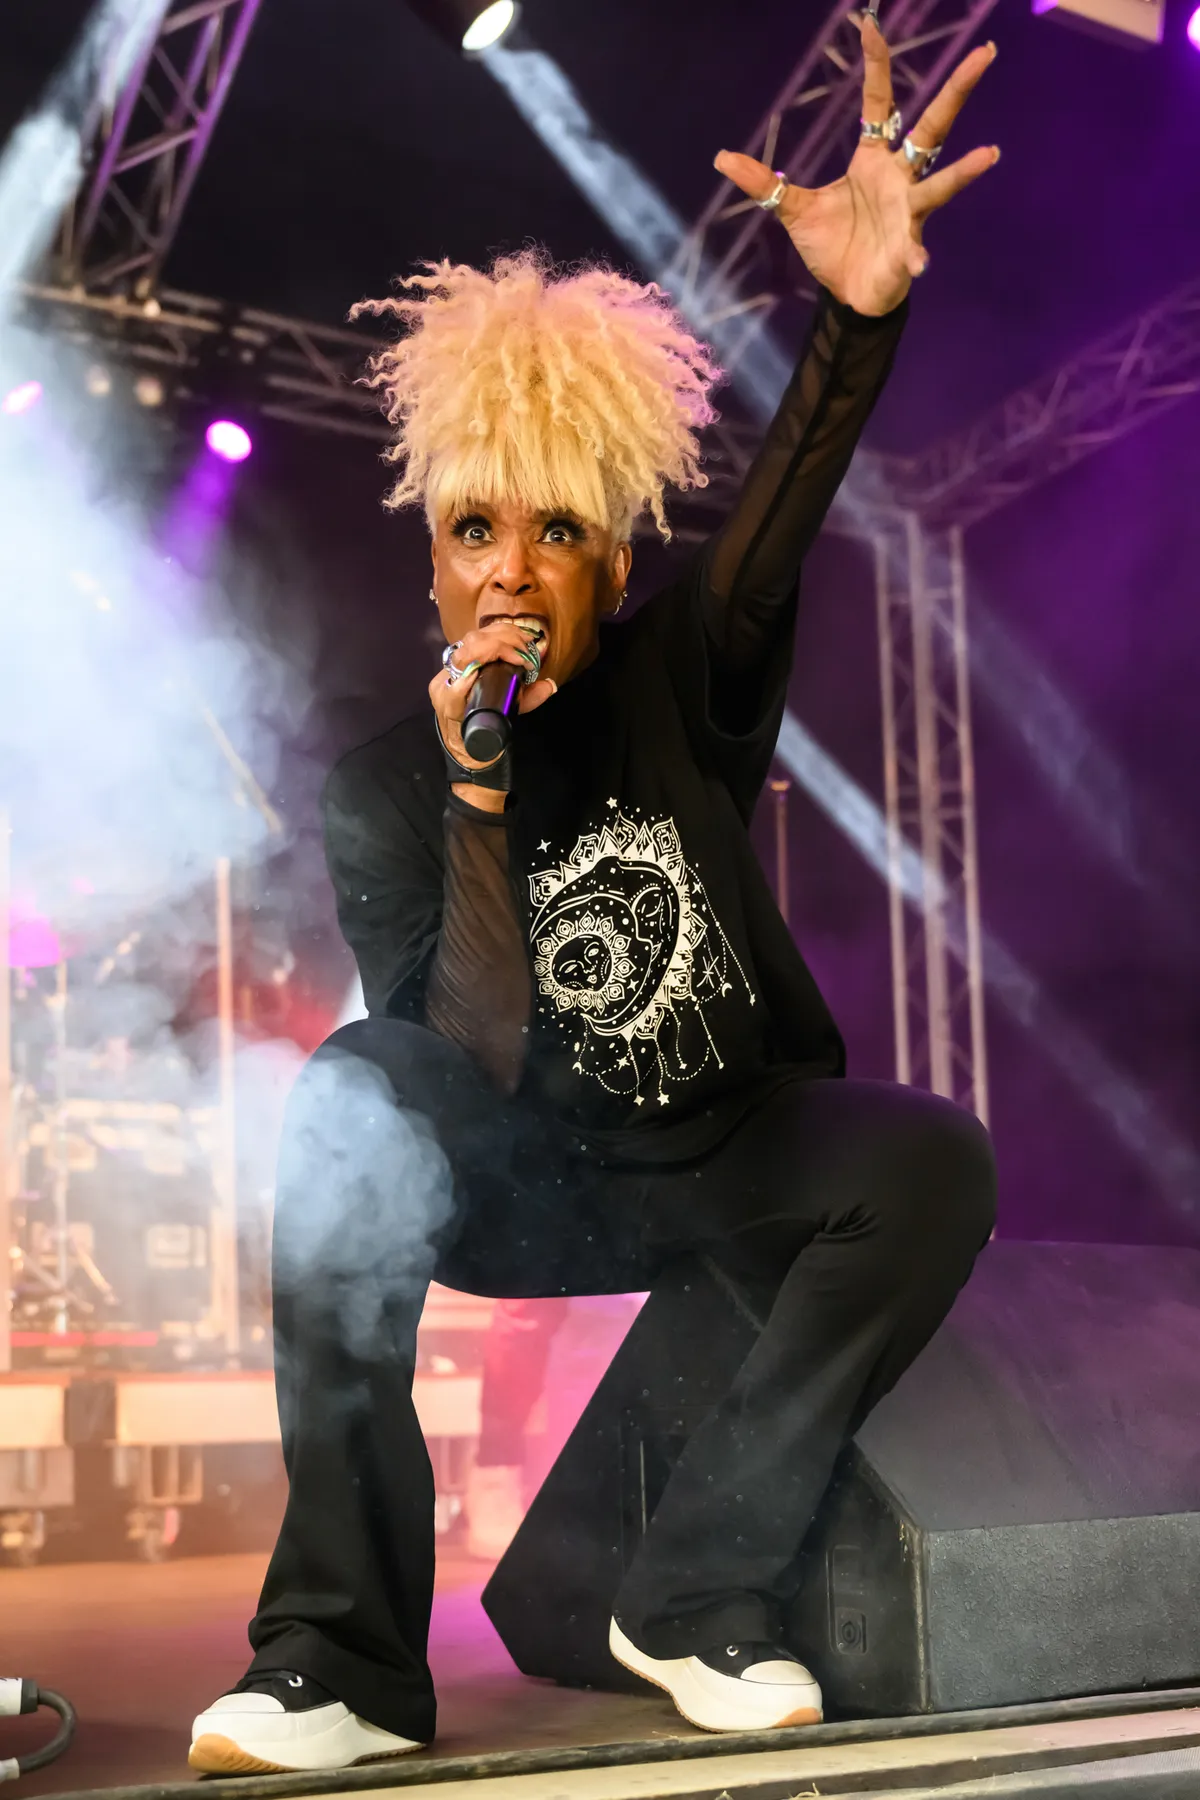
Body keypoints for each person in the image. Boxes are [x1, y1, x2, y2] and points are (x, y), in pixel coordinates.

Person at [189, 18, 1001, 1777]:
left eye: (557, 532)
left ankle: (695, 1593)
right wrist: (479, 788)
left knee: (929, 1155)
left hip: (718, 1153)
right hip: (519, 1174)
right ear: (434, 565)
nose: (514, 568)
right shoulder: (388, 786)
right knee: (354, 1097)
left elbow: (779, 517)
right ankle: (338, 1660)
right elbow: (467, 1051)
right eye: (476, 531)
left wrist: (855, 323)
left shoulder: (677, 675)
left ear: (611, 561)